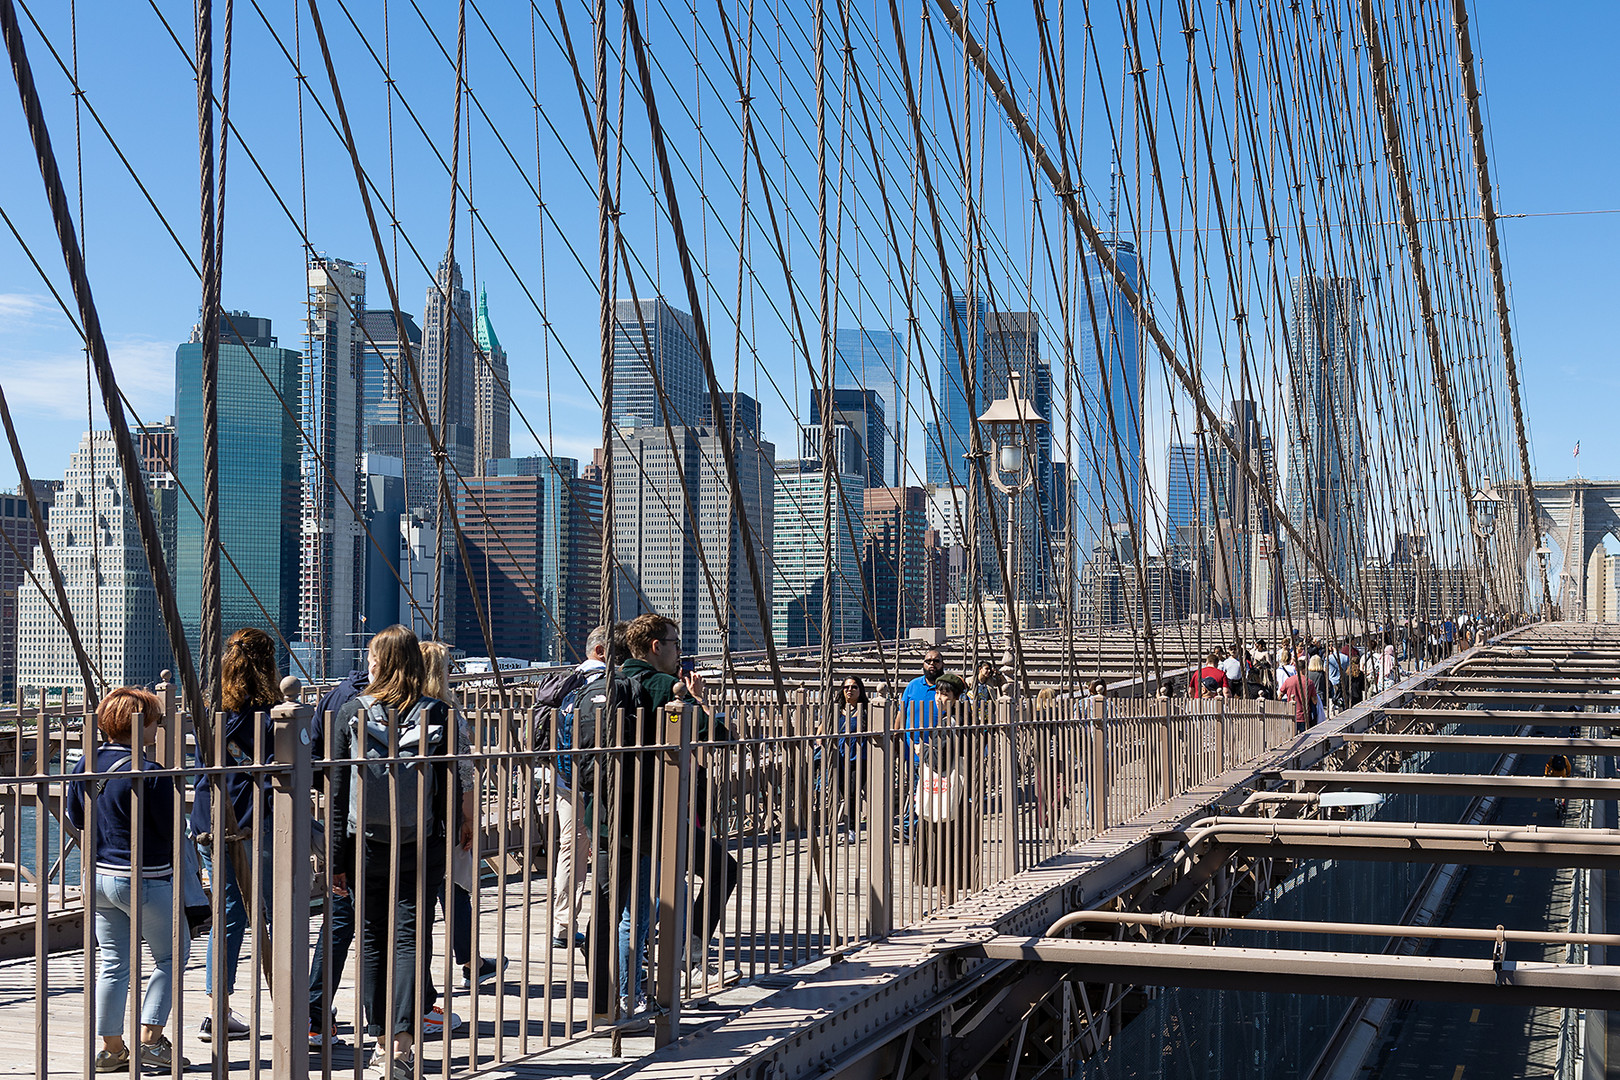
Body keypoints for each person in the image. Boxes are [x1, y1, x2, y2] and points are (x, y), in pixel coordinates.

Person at [329, 625, 465, 1080]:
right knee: (409, 937)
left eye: (372, 657)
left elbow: (338, 792)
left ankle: (380, 1039)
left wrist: (335, 858)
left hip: (363, 843)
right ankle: (404, 1047)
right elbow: (447, 789)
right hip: (418, 840)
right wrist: (444, 840)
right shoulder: (438, 714)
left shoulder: (350, 711)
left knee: (370, 937)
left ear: (381, 663)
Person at [592, 614, 738, 1029]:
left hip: (604, 813)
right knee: (636, 910)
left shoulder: (605, 686)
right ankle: (640, 991)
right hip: (651, 815)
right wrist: (696, 700)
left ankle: (609, 999)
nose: (679, 651)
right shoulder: (660, 687)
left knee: (612, 906)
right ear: (656, 646)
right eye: (674, 642)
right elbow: (718, 735)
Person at [68, 687, 189, 1071]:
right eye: (154, 719)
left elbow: (77, 818)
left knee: (113, 963)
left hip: (99, 877)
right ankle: (150, 1040)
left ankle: (112, 1048)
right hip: (144, 878)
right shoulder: (151, 774)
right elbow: (171, 830)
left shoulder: (86, 764)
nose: (157, 726)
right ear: (140, 725)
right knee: (173, 955)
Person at [189, 626, 280, 1044]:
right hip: (246, 823)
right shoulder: (266, 711)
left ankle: (217, 1008)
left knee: (227, 915)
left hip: (209, 821)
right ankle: (291, 997)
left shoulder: (214, 710)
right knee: (268, 909)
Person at [420, 641, 500, 994]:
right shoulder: (447, 711)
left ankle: (462, 964)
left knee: (421, 895)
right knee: (453, 886)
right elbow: (465, 772)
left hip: (409, 817)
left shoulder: (398, 708)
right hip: (445, 815)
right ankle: (470, 962)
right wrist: (469, 818)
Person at [536, 624, 619, 954]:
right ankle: (612, 919)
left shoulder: (565, 681)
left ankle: (564, 925)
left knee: (569, 847)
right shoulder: (609, 684)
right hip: (601, 779)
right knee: (610, 845)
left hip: (565, 778)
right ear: (601, 651)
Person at [912, 673, 976, 898]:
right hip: (961, 793)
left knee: (941, 842)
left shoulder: (950, 722)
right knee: (955, 844)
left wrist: (923, 750)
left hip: (947, 794)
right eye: (938, 692)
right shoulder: (966, 718)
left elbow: (940, 761)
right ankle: (948, 894)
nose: (939, 697)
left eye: (945, 693)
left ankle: (945, 897)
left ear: (956, 697)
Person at [833, 676, 868, 844]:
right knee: (843, 791)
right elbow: (823, 729)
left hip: (859, 757)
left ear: (860, 690)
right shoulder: (836, 710)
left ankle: (851, 829)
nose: (850, 690)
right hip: (839, 757)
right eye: (847, 687)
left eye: (854, 687)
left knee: (853, 792)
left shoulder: (866, 710)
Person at [1279, 659, 1320, 731]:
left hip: (1291, 714)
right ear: (1305, 669)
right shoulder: (1309, 682)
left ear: (1295, 668)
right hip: (1304, 716)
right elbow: (1314, 701)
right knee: (1304, 738)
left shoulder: (1289, 681)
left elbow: (1280, 696)